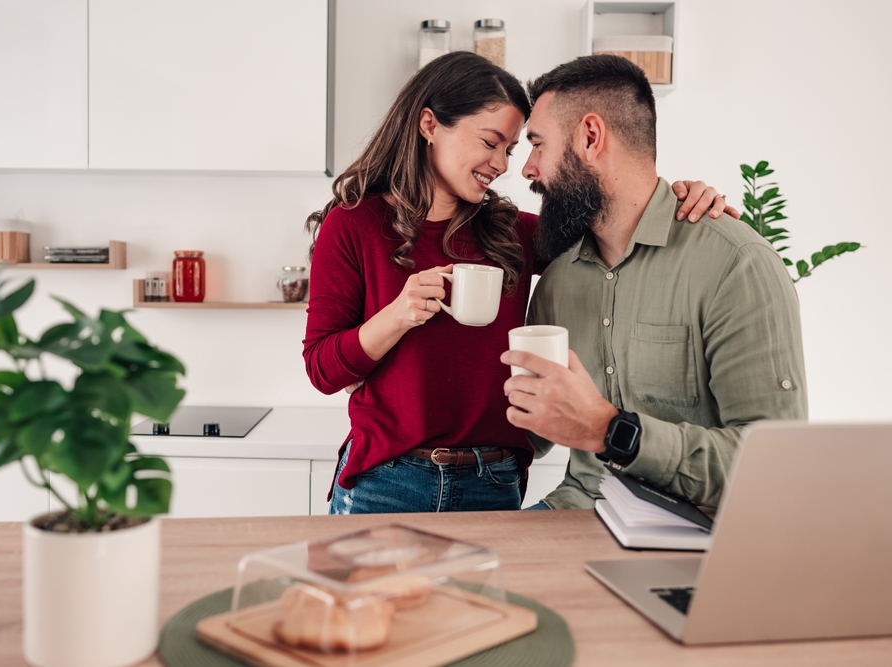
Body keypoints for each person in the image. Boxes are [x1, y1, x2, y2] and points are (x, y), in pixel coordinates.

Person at [303, 51, 733, 514]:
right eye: (490, 142)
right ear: (429, 124)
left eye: (509, 148)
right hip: (386, 482)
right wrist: (396, 316)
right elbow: (323, 370)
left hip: (494, 481)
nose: (503, 164)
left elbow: (622, 219)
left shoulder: (514, 231)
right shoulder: (353, 225)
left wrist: (683, 196)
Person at [501, 55, 808, 510]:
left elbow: (776, 467)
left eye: (538, 144)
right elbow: (531, 431)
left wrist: (611, 432)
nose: (528, 169)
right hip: (577, 510)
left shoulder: (735, 265)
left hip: (693, 530)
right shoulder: (559, 278)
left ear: (590, 137)